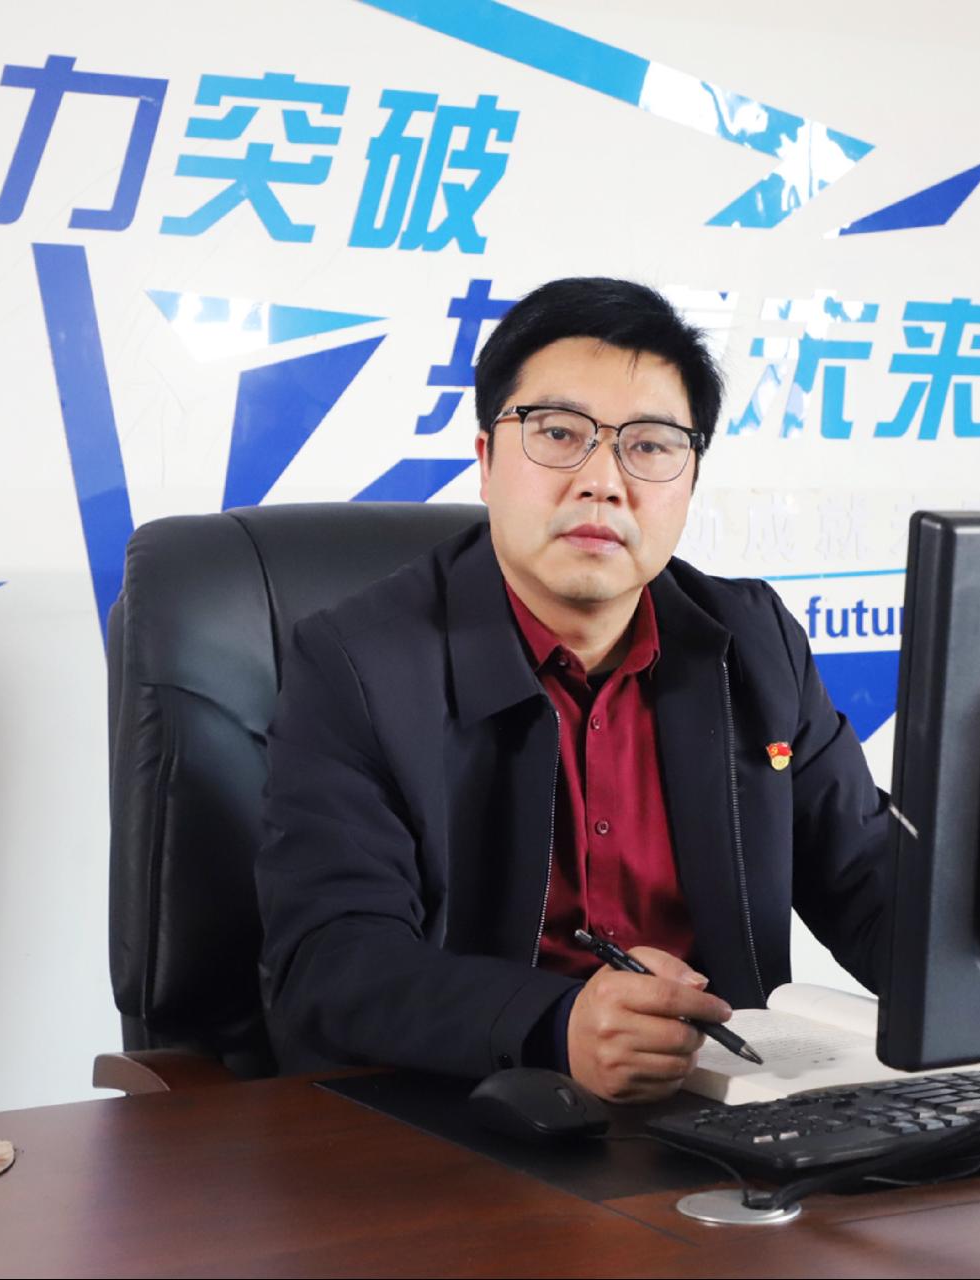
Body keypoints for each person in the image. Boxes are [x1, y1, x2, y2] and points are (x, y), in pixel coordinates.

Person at [255, 277, 892, 1102]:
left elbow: (868, 880)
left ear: (689, 478)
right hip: (464, 1116)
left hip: (726, 1112)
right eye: (558, 434)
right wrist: (555, 1026)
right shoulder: (357, 663)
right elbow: (331, 961)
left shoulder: (751, 640)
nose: (602, 482)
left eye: (650, 446)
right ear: (485, 460)